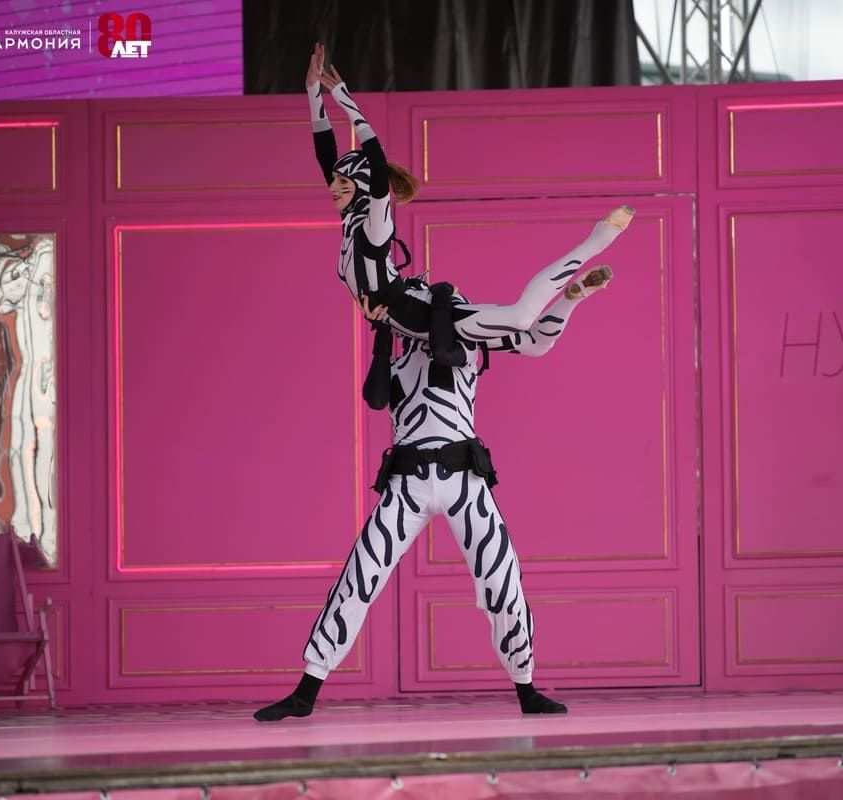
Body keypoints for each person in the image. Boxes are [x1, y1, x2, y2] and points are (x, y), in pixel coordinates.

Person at [254, 246, 621, 721]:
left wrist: (569, 300)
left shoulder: (467, 343)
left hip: (464, 479)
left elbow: (534, 340)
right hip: (406, 482)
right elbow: (375, 397)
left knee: (502, 581)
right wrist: (383, 335)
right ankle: (307, 689)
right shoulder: (402, 361)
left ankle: (527, 687)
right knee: (359, 577)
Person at [303, 43, 631, 409]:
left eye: (342, 183)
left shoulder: (374, 226)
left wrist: (344, 99)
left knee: (521, 316)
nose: (332, 188)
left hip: (426, 317)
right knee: (537, 345)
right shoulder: (351, 219)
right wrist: (313, 92)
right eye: (334, 182)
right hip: (410, 323)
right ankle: (573, 295)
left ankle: (593, 244)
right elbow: (325, 153)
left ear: (364, 186)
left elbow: (377, 166)